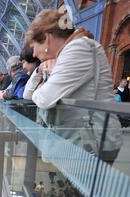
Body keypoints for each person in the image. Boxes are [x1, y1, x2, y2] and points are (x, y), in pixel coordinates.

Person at [23, 8, 123, 164]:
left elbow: (44, 99)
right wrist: (40, 72)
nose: (34, 54)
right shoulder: (67, 53)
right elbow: (27, 95)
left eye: (34, 46)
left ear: (47, 38)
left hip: (95, 143)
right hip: (83, 141)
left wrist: (40, 89)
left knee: (88, 188)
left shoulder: (79, 49)